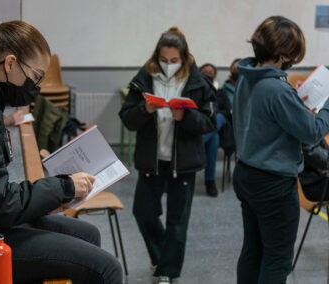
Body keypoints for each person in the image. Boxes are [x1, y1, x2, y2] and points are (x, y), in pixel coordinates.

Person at [0, 18, 122, 284]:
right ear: (9, 64)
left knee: (88, 234)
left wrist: (51, 197)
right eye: (36, 76)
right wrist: (64, 188)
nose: (37, 87)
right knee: (107, 269)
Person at [232, 16, 329, 284]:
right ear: (283, 53)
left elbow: (268, 117)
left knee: (253, 250)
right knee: (277, 259)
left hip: (246, 173)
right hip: (273, 184)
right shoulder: (276, 88)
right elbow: (312, 131)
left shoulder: (247, 76)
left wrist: (295, 105)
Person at [119, 27, 216, 284]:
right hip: (151, 159)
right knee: (144, 212)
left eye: (174, 61)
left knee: (177, 220)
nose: (169, 65)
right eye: (164, 60)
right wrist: (144, 108)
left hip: (182, 163)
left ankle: (167, 271)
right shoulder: (144, 77)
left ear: (183, 58)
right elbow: (128, 119)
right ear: (156, 56)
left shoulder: (197, 82)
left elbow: (210, 122)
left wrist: (186, 117)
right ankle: (163, 257)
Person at [199, 63, 231, 196]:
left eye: (211, 72)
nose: (208, 73)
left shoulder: (220, 91)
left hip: (218, 120)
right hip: (201, 122)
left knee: (219, 119)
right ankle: (210, 181)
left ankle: (198, 142)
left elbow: (226, 110)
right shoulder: (196, 89)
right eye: (205, 71)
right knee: (214, 139)